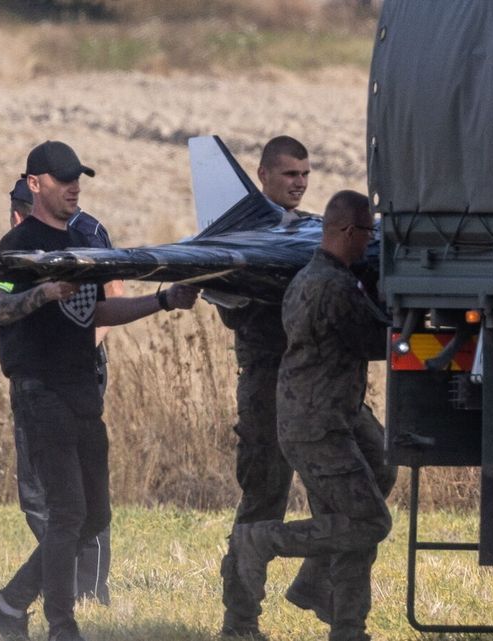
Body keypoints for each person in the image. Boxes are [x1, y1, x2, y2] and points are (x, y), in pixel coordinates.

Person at [0, 140, 200, 641]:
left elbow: (96, 313)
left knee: (94, 513)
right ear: (35, 185)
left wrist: (164, 299)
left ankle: (9, 604)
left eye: (78, 177)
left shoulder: (84, 242)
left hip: (81, 388)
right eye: (62, 179)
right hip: (39, 390)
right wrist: (41, 292)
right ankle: (63, 626)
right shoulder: (18, 247)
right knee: (67, 512)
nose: (74, 187)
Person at [230, 190, 398, 641]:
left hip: (332, 416)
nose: (370, 242)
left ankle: (339, 615)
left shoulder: (309, 277)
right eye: (366, 233)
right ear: (347, 232)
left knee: (371, 486)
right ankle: (265, 541)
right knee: (369, 521)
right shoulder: (334, 287)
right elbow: (378, 341)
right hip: (318, 425)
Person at [215, 135, 321, 639]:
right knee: (264, 498)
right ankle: (239, 619)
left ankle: (316, 581)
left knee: (369, 478)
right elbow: (223, 298)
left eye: (304, 175)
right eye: (289, 175)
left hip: (319, 384)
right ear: (262, 176)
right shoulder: (246, 238)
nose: (299, 184)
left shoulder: (310, 232)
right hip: (266, 386)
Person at [5, 177, 119, 607]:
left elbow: (113, 297)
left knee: (86, 495)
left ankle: (89, 590)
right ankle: (53, 586)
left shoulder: (87, 233)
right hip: (34, 378)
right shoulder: (17, 243)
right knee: (37, 492)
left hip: (78, 375)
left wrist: (73, 350)